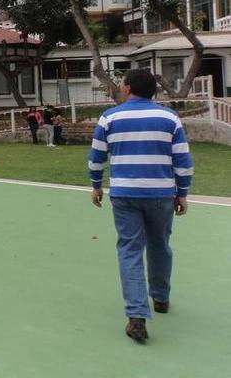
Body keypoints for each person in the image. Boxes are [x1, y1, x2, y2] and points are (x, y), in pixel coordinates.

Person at [89, 69, 192, 343]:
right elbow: (182, 160)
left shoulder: (110, 117)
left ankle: (136, 316)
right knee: (160, 244)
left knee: (130, 249)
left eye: (122, 83)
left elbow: (97, 156)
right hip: (161, 194)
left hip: (124, 194)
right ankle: (160, 297)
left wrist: (96, 185)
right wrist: (182, 193)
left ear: (128, 87)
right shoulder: (169, 118)